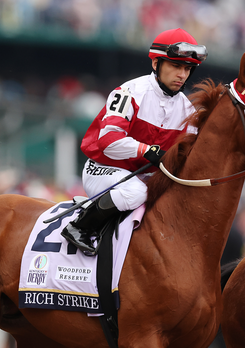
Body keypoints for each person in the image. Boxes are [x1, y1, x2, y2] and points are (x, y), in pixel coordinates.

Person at [61, 28, 207, 255]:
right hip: (104, 169)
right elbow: (109, 142)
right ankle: (80, 226)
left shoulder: (187, 110)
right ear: (156, 64)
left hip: (143, 176)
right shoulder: (129, 92)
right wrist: (148, 151)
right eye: (176, 66)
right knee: (140, 193)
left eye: (188, 69)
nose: (182, 75)